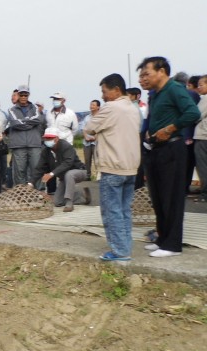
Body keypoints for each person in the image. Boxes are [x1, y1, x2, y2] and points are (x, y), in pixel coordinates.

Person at [137, 57, 201, 258]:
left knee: (171, 197)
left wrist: (171, 128)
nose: (143, 79)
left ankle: (173, 245)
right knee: (158, 197)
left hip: (172, 148)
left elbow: (192, 113)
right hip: (156, 149)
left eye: (147, 74)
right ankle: (162, 238)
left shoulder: (174, 89)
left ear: (162, 71)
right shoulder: (155, 95)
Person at [84, 73, 141, 261]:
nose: (102, 96)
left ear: (116, 90)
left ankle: (119, 251)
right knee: (124, 210)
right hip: (131, 167)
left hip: (113, 167)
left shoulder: (111, 108)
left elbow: (89, 127)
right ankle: (126, 245)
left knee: (112, 210)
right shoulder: (133, 108)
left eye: (104, 91)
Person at [28, 128, 91, 212]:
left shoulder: (66, 146)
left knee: (69, 174)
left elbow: (67, 163)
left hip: (79, 171)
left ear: (56, 138)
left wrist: (51, 174)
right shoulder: (45, 151)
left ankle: (69, 203)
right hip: (64, 177)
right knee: (57, 202)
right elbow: (39, 168)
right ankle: (82, 195)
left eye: (50, 138)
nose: (47, 140)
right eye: (46, 138)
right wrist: (31, 183)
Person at [7, 84, 45, 186]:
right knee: (20, 171)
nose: (23, 97)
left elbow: (39, 119)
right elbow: (15, 123)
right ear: (18, 95)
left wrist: (23, 122)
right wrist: (30, 123)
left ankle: (38, 194)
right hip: (18, 145)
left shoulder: (35, 108)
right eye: (21, 95)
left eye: (26, 95)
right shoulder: (11, 109)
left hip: (34, 144)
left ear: (28, 95)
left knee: (36, 170)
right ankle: (21, 194)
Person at [194, 75, 207, 203]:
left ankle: (204, 193)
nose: (199, 87)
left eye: (201, 84)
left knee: (203, 166)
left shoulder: (205, 99)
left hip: (203, 135)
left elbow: (196, 115)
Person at [80, 100, 101, 180]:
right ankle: (87, 176)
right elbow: (83, 128)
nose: (91, 106)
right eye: (91, 105)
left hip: (97, 142)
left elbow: (101, 128)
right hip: (87, 142)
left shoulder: (100, 117)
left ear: (98, 107)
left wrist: (96, 136)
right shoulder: (87, 117)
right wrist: (85, 136)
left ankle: (98, 176)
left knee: (97, 159)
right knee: (87, 160)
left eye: (93, 105)